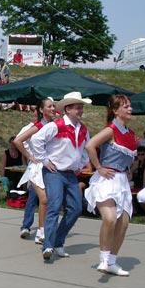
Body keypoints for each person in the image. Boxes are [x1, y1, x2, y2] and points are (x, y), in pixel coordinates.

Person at [31, 92, 91, 261]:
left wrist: (81, 164)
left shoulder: (83, 129)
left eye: (81, 108)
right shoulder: (56, 125)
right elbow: (36, 140)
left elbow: (86, 148)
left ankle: (57, 241)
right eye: (77, 108)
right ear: (68, 109)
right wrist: (44, 160)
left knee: (76, 208)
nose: (80, 111)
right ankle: (48, 245)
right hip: (54, 172)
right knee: (54, 206)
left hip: (70, 173)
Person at [84, 95, 137, 276]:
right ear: (115, 110)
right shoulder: (111, 129)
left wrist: (128, 169)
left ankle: (112, 261)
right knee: (110, 218)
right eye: (125, 107)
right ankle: (103, 259)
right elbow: (90, 146)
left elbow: (128, 156)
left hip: (121, 180)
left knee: (123, 224)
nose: (130, 109)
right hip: (106, 179)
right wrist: (99, 167)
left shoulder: (130, 133)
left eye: (130, 106)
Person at [14, 97, 58, 243]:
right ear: (41, 110)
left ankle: (41, 230)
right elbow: (17, 141)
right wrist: (29, 156)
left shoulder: (53, 125)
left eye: (54, 106)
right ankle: (38, 230)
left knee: (47, 200)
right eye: (49, 106)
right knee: (43, 199)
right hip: (37, 167)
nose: (53, 109)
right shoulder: (38, 126)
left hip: (49, 165)